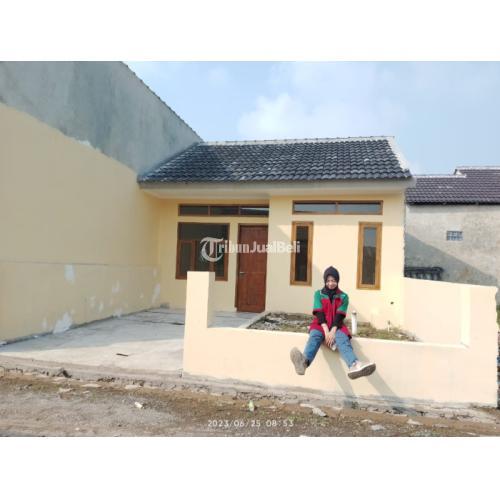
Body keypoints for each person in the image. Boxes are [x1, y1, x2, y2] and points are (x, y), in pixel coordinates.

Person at [290, 266, 376, 380]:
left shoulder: (344, 296)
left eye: (333, 280)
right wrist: (326, 331)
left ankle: (354, 365)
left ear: (337, 281)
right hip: (321, 324)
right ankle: (303, 362)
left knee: (342, 339)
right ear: (325, 281)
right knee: (314, 337)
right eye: (328, 281)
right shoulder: (318, 294)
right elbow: (319, 312)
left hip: (337, 325)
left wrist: (333, 331)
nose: (331, 283)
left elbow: (340, 315)